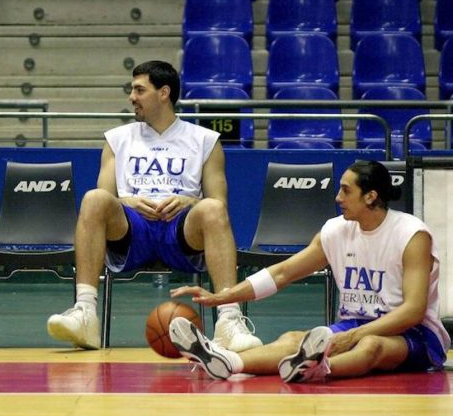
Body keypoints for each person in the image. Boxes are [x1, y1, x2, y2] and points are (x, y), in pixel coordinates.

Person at [46, 60, 262, 351]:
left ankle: (228, 320)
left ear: (163, 93)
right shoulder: (117, 138)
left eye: (139, 90)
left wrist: (190, 200)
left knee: (212, 209)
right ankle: (85, 312)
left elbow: (218, 201)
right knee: (93, 199)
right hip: (132, 229)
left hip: (180, 230)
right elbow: (105, 194)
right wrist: (127, 201)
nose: (132, 97)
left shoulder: (205, 140)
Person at [169, 160, 451, 382]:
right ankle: (229, 362)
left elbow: (413, 310)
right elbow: (281, 273)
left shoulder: (412, 235)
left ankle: (317, 368)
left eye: (346, 190)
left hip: (414, 334)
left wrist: (352, 337)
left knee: (371, 346)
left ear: (371, 196)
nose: (338, 197)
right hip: (355, 323)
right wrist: (224, 297)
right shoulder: (336, 230)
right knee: (293, 339)